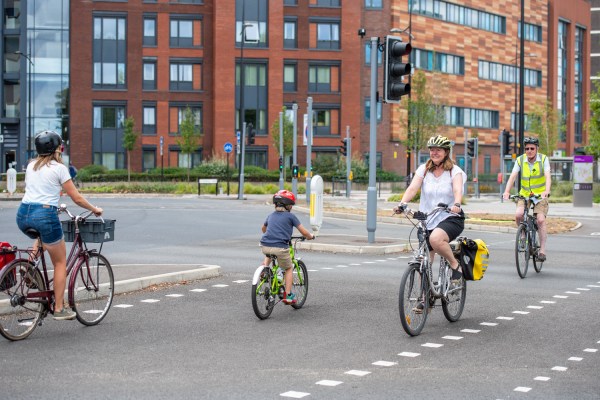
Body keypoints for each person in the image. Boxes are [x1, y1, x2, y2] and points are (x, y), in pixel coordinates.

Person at [16, 130, 102, 321]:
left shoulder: (31, 166)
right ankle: (59, 308)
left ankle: (29, 264)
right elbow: (77, 198)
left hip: (23, 214)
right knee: (60, 262)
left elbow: (39, 190)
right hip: (45, 214)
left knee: (42, 236)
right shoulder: (59, 168)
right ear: (57, 149)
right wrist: (94, 209)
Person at [393, 135, 467, 308]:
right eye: (432, 150)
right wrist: (402, 203)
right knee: (424, 260)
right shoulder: (424, 170)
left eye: (438, 150)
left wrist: (457, 203)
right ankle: (425, 297)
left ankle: (455, 266)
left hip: (450, 217)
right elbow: (412, 188)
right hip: (428, 219)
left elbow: (457, 189)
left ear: (446, 152)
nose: (434, 153)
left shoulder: (454, 171)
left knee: (435, 239)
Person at [260, 190, 314, 305]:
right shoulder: (291, 217)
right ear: (288, 205)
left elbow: (263, 229)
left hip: (265, 245)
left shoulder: (270, 215)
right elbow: (303, 231)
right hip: (280, 247)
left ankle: (264, 268)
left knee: (270, 251)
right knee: (289, 267)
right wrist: (310, 236)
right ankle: (288, 294)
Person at [502, 136, 551, 262]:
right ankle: (523, 235)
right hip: (524, 194)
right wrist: (507, 191)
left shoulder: (544, 159)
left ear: (537, 149)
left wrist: (546, 190)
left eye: (532, 148)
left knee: (540, 220)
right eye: (527, 148)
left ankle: (542, 250)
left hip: (540, 195)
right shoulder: (520, 160)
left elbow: (547, 176)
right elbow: (513, 176)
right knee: (518, 215)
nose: (529, 151)